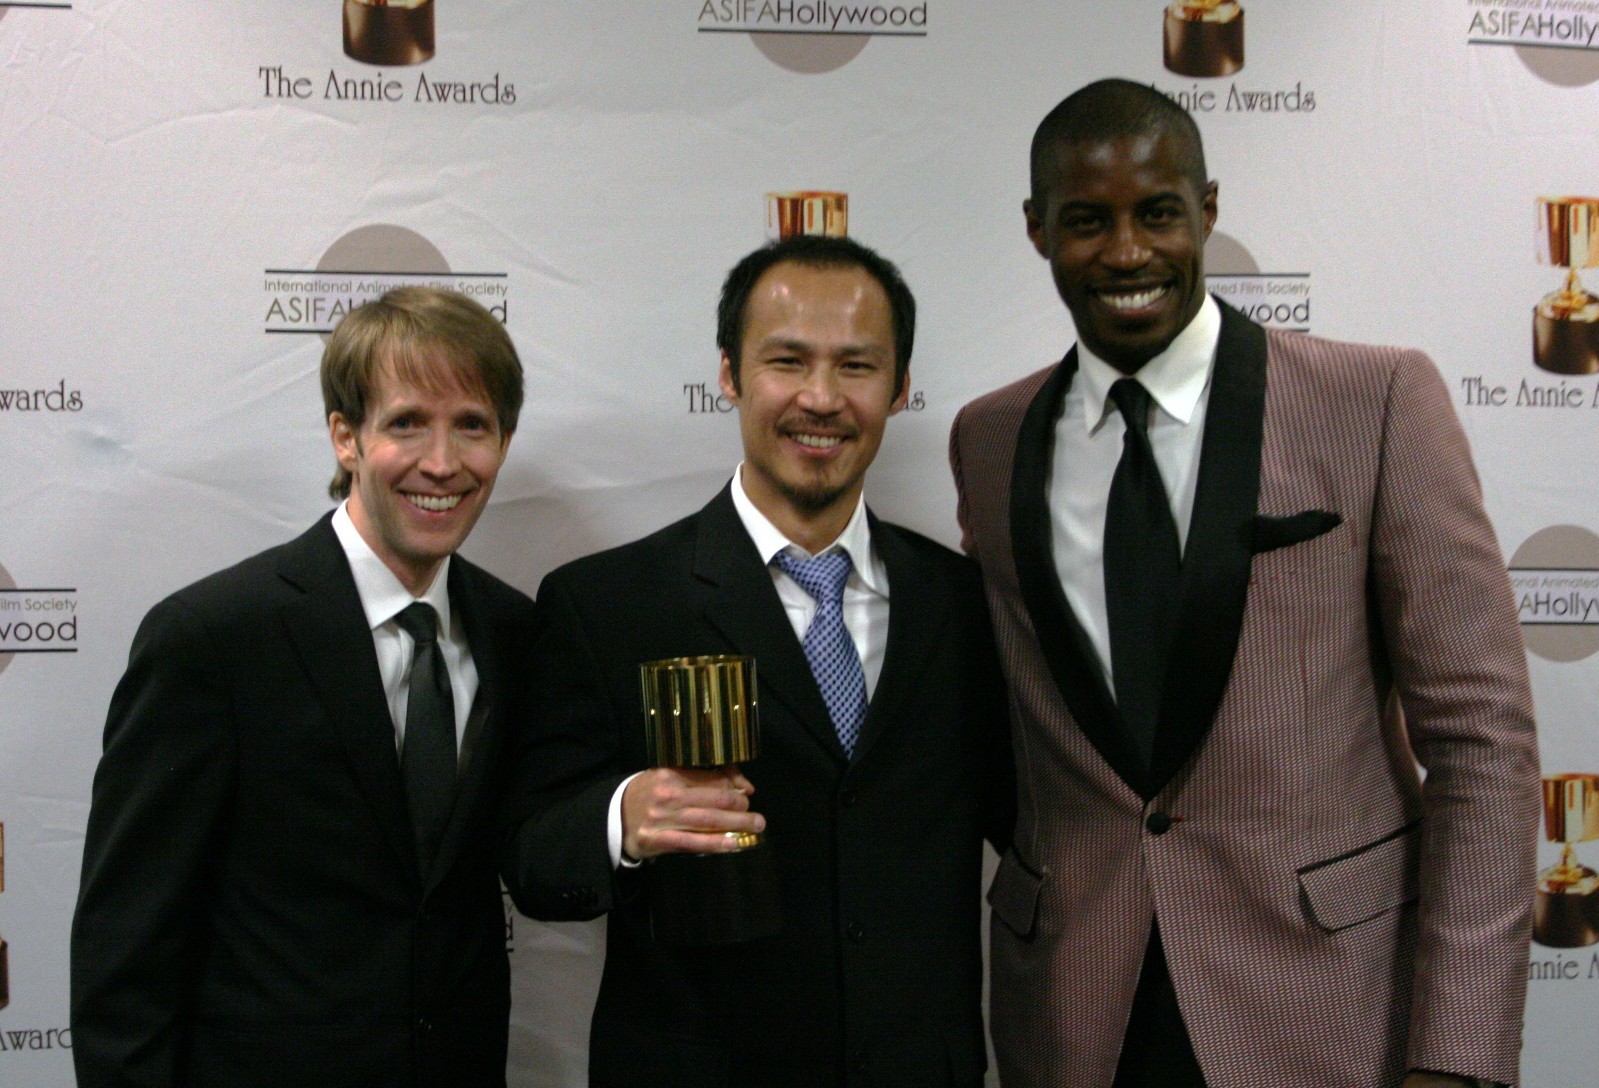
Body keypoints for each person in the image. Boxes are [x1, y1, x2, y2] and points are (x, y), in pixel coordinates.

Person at [949, 79, 1538, 1088]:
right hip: (1073, 1012)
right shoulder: (990, 439)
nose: (1128, 252)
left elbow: (1484, 740)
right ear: (1037, 230)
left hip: (1328, 1008)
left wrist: (1459, 1054)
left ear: (1208, 211)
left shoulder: (1376, 400)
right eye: (1087, 221)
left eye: (1159, 213)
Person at [503, 234, 1013, 1087]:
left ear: (900, 388)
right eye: (786, 361)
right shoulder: (609, 603)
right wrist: (623, 815)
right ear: (730, 376)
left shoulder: (965, 605)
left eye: (856, 366)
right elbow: (533, 861)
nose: (820, 398)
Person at [71, 287, 535, 1088]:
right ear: (344, 438)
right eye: (405, 423)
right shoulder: (212, 639)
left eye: (472, 425)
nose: (442, 461)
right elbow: (127, 951)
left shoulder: (516, 633)